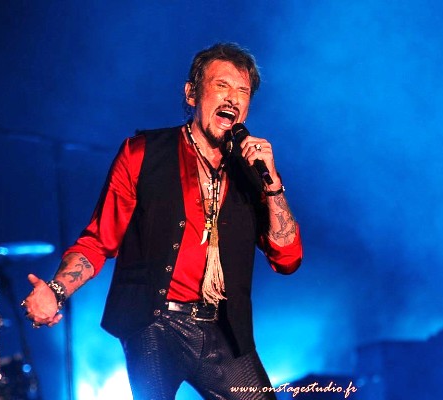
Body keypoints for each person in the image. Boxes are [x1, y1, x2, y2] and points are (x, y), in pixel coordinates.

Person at [21, 42, 303, 400]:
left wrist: (272, 184)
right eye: (221, 85)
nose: (232, 98)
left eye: (242, 91)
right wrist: (57, 290)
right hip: (154, 322)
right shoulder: (143, 153)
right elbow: (99, 240)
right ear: (191, 93)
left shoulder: (253, 172)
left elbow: (288, 259)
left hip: (223, 327)